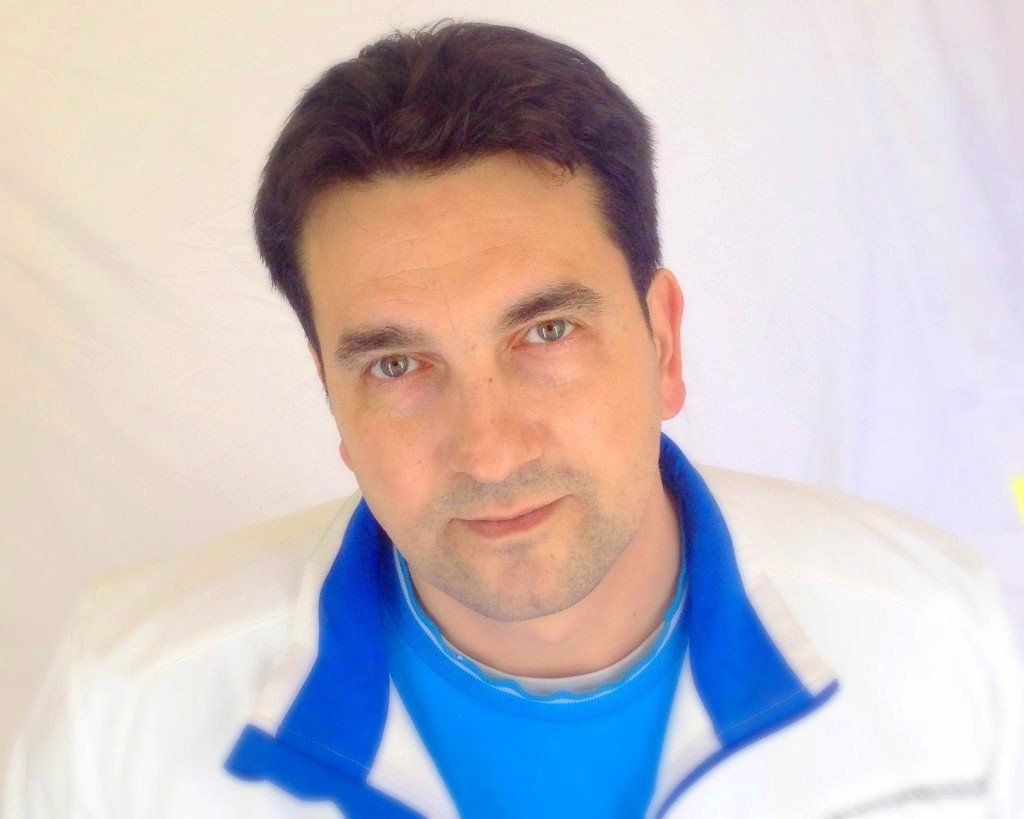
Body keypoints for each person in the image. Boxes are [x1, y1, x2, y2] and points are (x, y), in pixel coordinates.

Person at [5, 18, 1022, 819]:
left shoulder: (933, 635)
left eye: (546, 333)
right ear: (332, 396)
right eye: (398, 364)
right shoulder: (123, 701)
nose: (488, 452)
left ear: (663, 343)